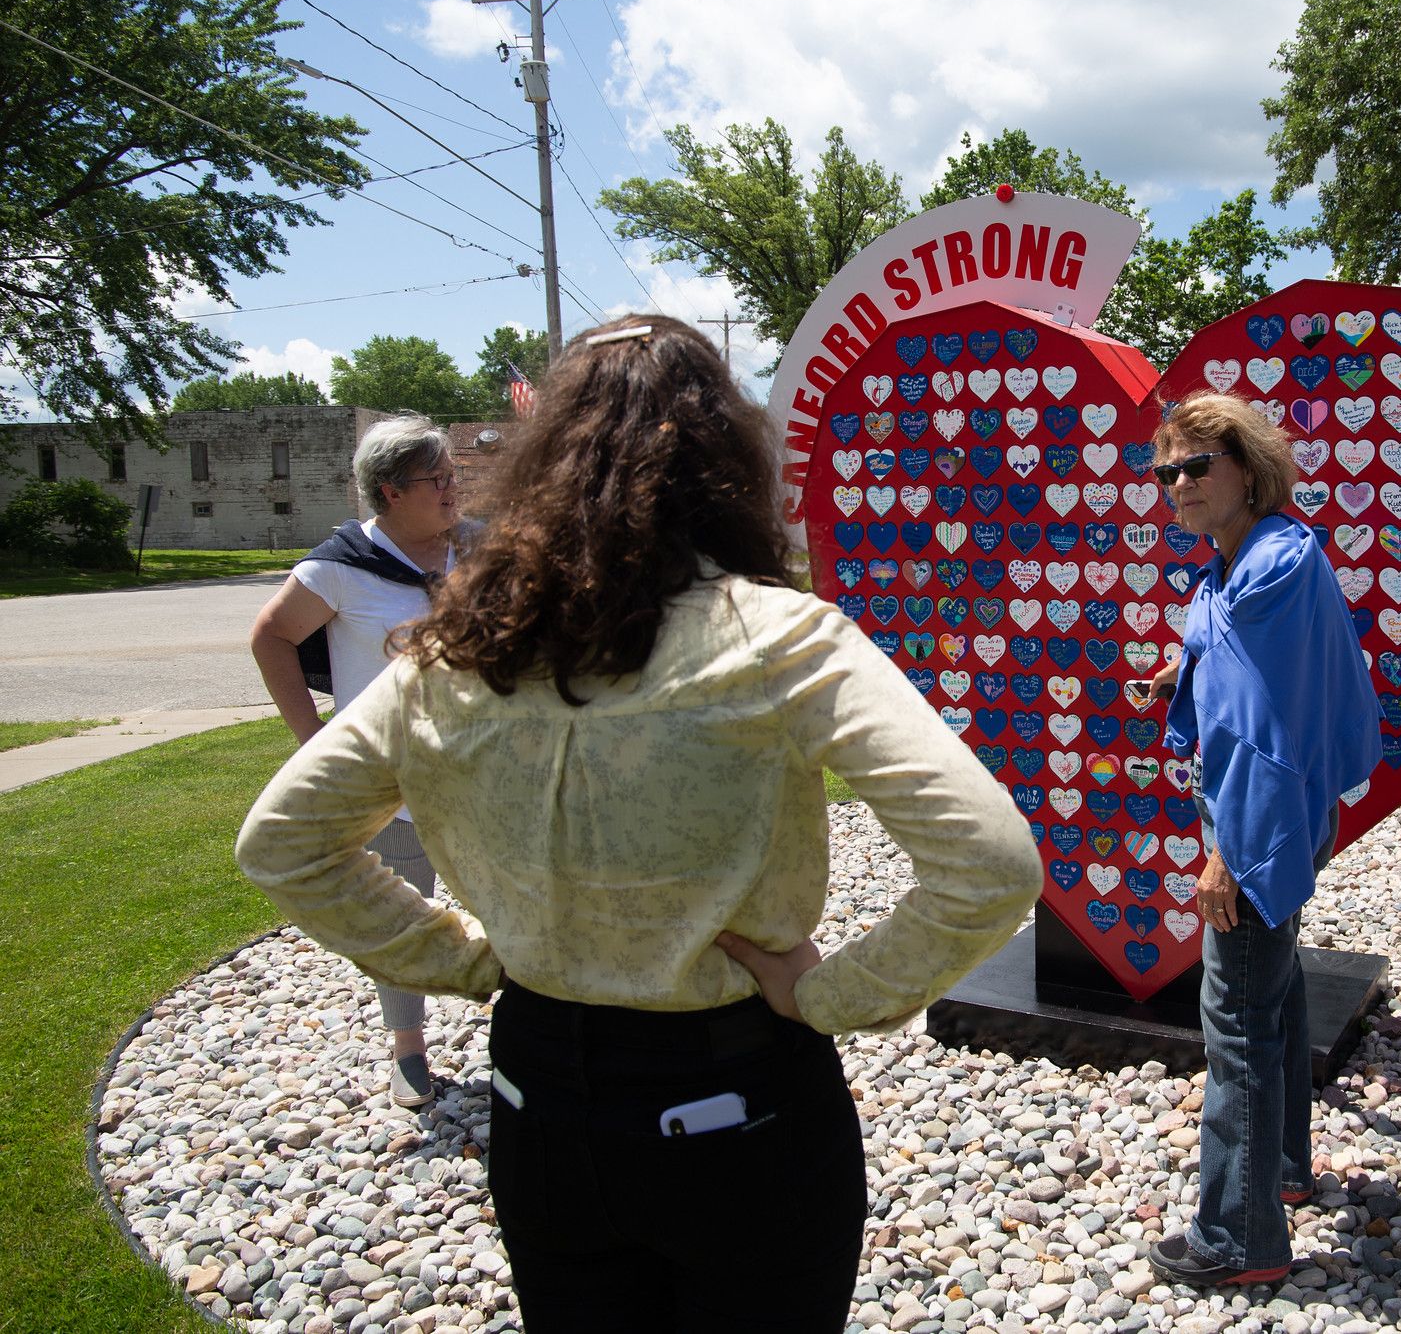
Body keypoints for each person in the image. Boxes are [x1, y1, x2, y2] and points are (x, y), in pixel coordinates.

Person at [235, 315, 1043, 1332]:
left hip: (537, 1099)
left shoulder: (451, 653)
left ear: (541, 462)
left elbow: (283, 842)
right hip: (737, 1098)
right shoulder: (774, 634)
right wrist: (834, 995)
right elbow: (990, 860)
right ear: (724, 460)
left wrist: (471, 960)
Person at [1134, 391, 1381, 1286]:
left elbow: (1255, 736)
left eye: (1198, 465)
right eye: (1166, 471)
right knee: (1273, 994)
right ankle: (1280, 1168)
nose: (1179, 484)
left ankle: (1238, 1239)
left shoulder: (1267, 571)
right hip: (1281, 817)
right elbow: (1231, 648)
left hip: (1255, 825)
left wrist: (1223, 855)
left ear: (1248, 466)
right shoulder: (1258, 554)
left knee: (1234, 1015)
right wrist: (1180, 666)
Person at [249, 415, 468, 1109]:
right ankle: (408, 1050)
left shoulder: (473, 549)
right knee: (403, 913)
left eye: (452, 474)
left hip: (479, 773)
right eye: (436, 479)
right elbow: (271, 637)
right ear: (389, 491)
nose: (451, 488)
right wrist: (312, 738)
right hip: (392, 783)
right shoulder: (338, 567)